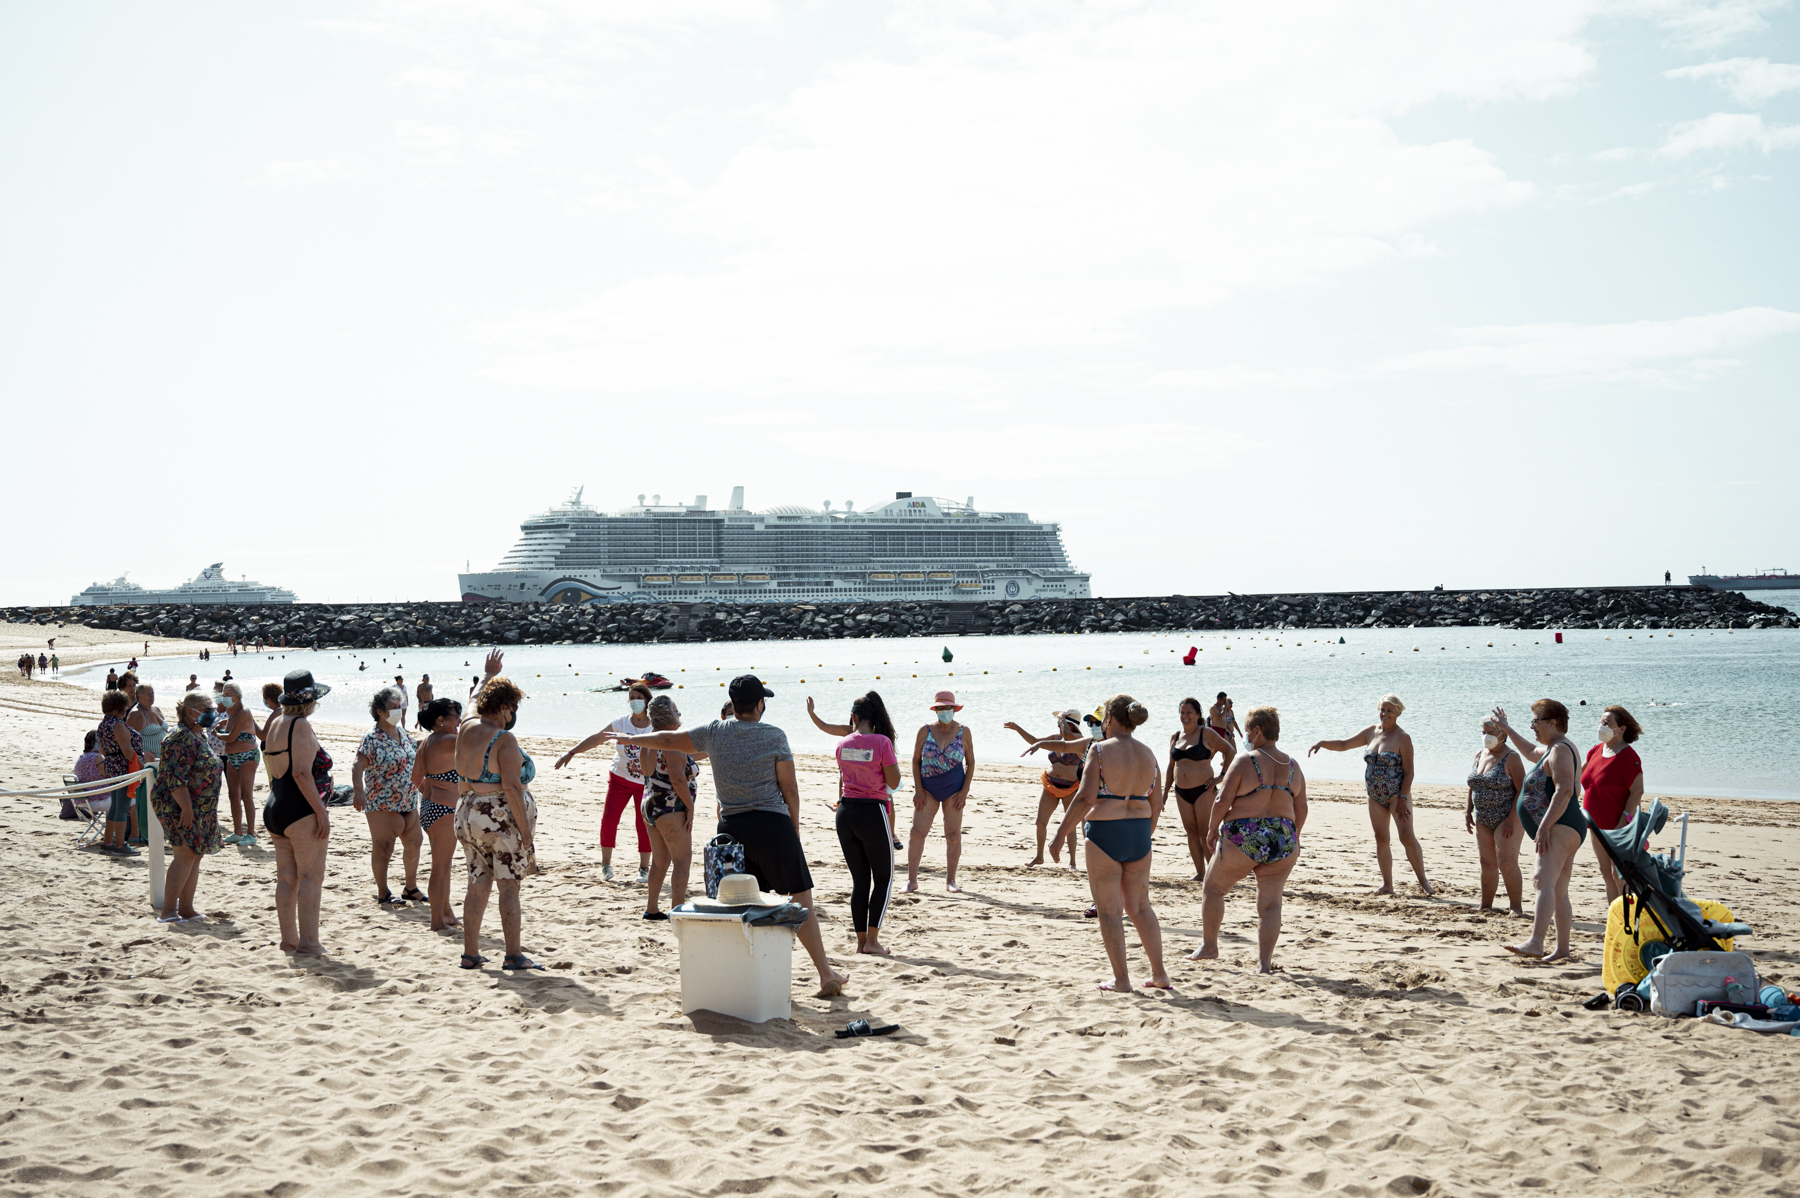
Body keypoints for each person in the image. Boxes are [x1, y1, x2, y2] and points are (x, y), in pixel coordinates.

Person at [600, 675, 847, 996]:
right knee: (802, 901)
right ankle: (825, 974)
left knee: (738, 908)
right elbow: (790, 788)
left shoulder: (714, 732)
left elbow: (667, 740)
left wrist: (627, 738)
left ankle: (739, 983)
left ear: (734, 703)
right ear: (759, 705)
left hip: (731, 831)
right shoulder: (775, 735)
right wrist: (794, 827)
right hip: (773, 826)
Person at [1049, 694, 1170, 991]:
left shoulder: (1100, 750)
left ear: (1111, 719)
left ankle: (1122, 980)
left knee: (1109, 911)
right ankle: (1159, 975)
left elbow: (1086, 797)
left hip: (1105, 833)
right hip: (1139, 832)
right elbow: (1156, 803)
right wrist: (1145, 835)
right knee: (1141, 907)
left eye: (1104, 718)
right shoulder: (1148, 754)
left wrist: (1059, 835)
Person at [1191, 705, 1307, 974]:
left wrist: (1211, 830)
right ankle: (1264, 964)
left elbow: (1221, 801)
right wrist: (1294, 837)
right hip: (1283, 838)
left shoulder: (1246, 760)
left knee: (1213, 889)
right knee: (1270, 904)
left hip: (1245, 835)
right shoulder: (1293, 766)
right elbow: (1301, 808)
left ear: (1257, 731)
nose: (1244, 735)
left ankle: (1210, 946)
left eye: (1245, 730)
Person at [455, 663, 544, 972]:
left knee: (477, 882)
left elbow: (472, 699)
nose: (513, 714)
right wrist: (525, 832)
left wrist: (489, 674)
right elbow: (512, 788)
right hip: (496, 817)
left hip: (466, 812)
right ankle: (513, 954)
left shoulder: (466, 725)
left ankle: (470, 953)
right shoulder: (503, 740)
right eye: (513, 708)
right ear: (505, 707)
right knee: (509, 887)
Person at [1308, 694, 1433, 896]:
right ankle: (1387, 885)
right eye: (1382, 709)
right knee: (1381, 838)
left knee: (1407, 837)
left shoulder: (1403, 738)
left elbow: (1409, 771)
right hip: (1374, 795)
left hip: (1397, 796)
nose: (1385, 714)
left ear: (1398, 713)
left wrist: (1402, 798)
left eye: (1389, 710)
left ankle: (1424, 883)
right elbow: (1343, 744)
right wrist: (1322, 743)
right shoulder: (1371, 732)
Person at [808, 692, 902, 955]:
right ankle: (873, 941)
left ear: (854, 717)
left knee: (860, 881)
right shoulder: (882, 742)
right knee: (883, 878)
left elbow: (845, 778)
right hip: (872, 812)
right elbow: (894, 783)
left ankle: (861, 943)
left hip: (846, 812)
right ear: (876, 718)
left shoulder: (843, 743)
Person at [1492, 700, 1587, 962]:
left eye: (1535, 721)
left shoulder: (1560, 751)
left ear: (1552, 723)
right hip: (1566, 825)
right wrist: (1507, 728)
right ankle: (1562, 950)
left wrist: (1544, 827)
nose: (1532, 726)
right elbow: (1530, 750)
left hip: (1561, 825)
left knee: (1541, 880)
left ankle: (1536, 942)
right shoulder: (1552, 749)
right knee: (1558, 889)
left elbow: (1565, 790)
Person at [263, 670, 334, 955]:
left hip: (276, 803)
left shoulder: (276, 723)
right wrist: (321, 812)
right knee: (311, 877)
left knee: (286, 878)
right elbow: (302, 772)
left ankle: (288, 940)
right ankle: (309, 943)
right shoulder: (300, 725)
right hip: (300, 807)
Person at [554, 683, 653, 882]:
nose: (634, 701)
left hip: (645, 783)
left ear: (647, 701)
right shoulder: (621, 723)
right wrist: (571, 752)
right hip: (619, 779)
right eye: (631, 697)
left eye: (638, 698)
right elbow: (597, 738)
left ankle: (644, 868)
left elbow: (673, 742)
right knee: (609, 820)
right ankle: (606, 866)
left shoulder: (655, 725)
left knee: (643, 824)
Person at [151, 690, 225, 922]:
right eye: (207, 710)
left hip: (202, 806)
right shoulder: (178, 737)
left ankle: (186, 908)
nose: (212, 713)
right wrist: (187, 808)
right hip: (180, 805)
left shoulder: (198, 735)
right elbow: (174, 778)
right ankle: (169, 911)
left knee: (195, 854)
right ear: (190, 711)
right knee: (184, 854)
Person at [353, 685, 423, 906]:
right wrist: (358, 791)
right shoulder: (372, 737)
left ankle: (410, 888)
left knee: (414, 843)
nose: (398, 711)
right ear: (380, 712)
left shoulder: (402, 733)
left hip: (409, 801)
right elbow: (358, 765)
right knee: (384, 848)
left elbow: (415, 755)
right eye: (393, 707)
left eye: (399, 706)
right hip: (381, 803)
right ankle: (383, 892)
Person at [638, 695, 701, 920]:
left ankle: (652, 908)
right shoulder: (671, 741)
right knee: (682, 861)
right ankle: (678, 911)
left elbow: (679, 760)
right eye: (677, 710)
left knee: (660, 860)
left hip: (650, 805)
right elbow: (677, 778)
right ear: (669, 714)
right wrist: (690, 807)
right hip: (670, 808)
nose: (680, 714)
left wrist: (714, 749)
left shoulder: (650, 739)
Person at [907, 691, 974, 893]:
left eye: (948, 708)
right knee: (917, 832)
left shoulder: (964, 731)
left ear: (954, 708)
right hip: (927, 790)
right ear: (935, 709)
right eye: (941, 708)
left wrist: (964, 791)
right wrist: (918, 790)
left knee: (953, 834)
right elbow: (916, 760)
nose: (945, 711)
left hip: (954, 791)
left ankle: (951, 881)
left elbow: (970, 763)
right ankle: (912, 881)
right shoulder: (924, 730)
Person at [1003, 711, 1087, 867]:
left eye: (1060, 722)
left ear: (1069, 724)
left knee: (1069, 826)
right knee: (1040, 822)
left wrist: (1063, 721)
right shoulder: (1057, 737)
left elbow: (1068, 735)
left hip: (1070, 787)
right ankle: (1039, 856)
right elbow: (1034, 741)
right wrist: (1017, 728)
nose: (1058, 724)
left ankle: (1073, 862)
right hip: (1050, 784)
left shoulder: (1080, 740)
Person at [409, 698, 465, 931]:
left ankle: (446, 912)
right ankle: (436, 922)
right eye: (455, 717)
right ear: (440, 720)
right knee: (440, 868)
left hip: (431, 809)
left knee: (443, 866)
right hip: (445, 811)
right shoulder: (450, 740)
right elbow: (477, 740)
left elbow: (415, 778)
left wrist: (434, 793)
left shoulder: (426, 742)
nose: (459, 721)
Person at [1582, 705, 1645, 904]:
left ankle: (1629, 915)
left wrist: (1623, 822)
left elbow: (1637, 792)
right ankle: (1614, 916)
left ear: (1622, 729)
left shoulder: (1628, 756)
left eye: (1607, 723)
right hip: (1594, 824)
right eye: (1601, 722)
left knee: (1620, 874)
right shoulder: (1595, 750)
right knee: (1605, 873)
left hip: (1618, 826)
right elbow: (1577, 776)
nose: (1602, 726)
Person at [1165, 697, 1233, 881]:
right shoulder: (1175, 736)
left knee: (1206, 832)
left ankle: (1215, 872)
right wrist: (1164, 793)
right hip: (1181, 792)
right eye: (1182, 712)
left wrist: (1221, 776)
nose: (1185, 716)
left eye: (1189, 712)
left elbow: (1230, 751)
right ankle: (1200, 872)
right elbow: (1171, 767)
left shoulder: (1207, 733)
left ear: (1197, 714)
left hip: (1204, 790)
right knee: (1191, 833)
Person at [1465, 718, 1526, 914]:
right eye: (1484, 732)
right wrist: (1468, 810)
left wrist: (1511, 819)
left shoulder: (1512, 758)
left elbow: (1522, 790)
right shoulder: (1479, 754)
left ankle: (1516, 908)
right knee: (1487, 863)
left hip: (1507, 817)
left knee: (1506, 862)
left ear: (1503, 735)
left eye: (1491, 733)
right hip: (1482, 816)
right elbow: (1473, 784)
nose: (1486, 737)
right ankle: (1486, 906)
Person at [95, 690, 142, 855]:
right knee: (122, 807)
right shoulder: (117, 725)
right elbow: (128, 751)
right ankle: (120, 845)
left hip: (111, 765)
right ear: (119, 708)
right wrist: (141, 765)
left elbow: (102, 749)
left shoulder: (102, 725)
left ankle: (108, 843)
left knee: (115, 806)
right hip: (122, 767)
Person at [214, 682, 260, 846]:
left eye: (227, 694)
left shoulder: (244, 712)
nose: (224, 697)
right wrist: (223, 725)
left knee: (246, 795)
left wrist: (218, 734)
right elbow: (231, 729)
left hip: (247, 756)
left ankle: (251, 833)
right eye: (223, 694)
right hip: (232, 756)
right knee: (233, 795)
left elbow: (232, 737)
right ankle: (237, 832)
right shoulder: (230, 712)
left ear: (237, 696)